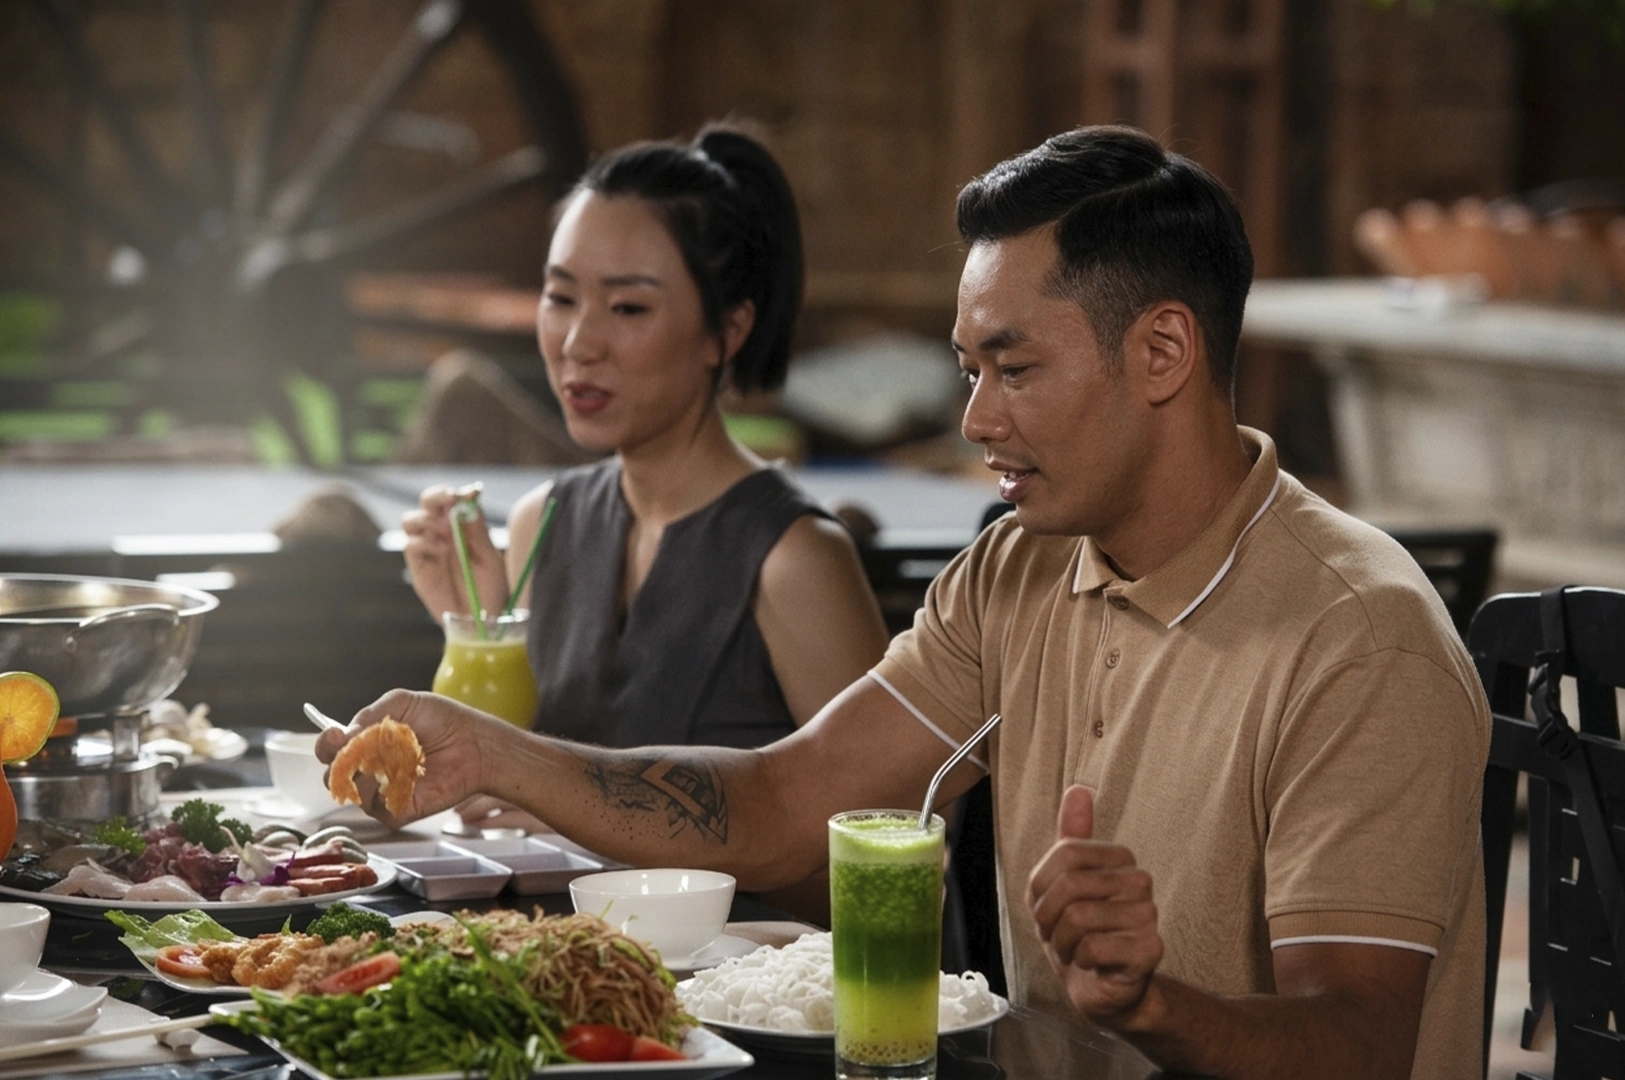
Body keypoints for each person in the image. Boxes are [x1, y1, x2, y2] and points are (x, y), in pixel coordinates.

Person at [326, 126, 1488, 1080]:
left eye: (1013, 367)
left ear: (1163, 352)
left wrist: (1150, 1005)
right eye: (966, 369)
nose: (975, 421)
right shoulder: (1016, 569)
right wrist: (493, 755)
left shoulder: (1359, 635)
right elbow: (783, 803)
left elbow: (1357, 1045)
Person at [400, 126, 889, 841]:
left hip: (746, 951)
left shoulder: (793, 559)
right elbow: (498, 803)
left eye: (627, 307)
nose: (578, 342)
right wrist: (476, 622)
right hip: (563, 946)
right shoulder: (546, 523)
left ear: (727, 330)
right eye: (560, 298)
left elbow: (891, 856)